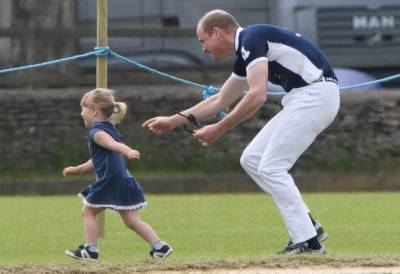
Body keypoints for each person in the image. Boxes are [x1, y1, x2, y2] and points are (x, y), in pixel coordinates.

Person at [142, 9, 339, 254]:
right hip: (306, 97)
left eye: (203, 40)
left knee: (272, 167)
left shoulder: (251, 39)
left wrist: (219, 129)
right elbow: (221, 100)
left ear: (216, 32)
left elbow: (257, 95)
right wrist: (174, 120)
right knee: (252, 159)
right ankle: (309, 226)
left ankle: (309, 243)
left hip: (315, 97)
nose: (203, 49)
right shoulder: (247, 49)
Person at [63, 88, 172, 261]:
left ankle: (90, 250)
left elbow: (111, 144)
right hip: (123, 179)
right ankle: (160, 247)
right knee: (131, 221)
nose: (81, 113)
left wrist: (128, 151)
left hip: (110, 181)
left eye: (83, 108)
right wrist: (78, 169)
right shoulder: (109, 128)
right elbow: (99, 158)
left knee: (88, 212)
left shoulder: (97, 132)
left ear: (94, 110)